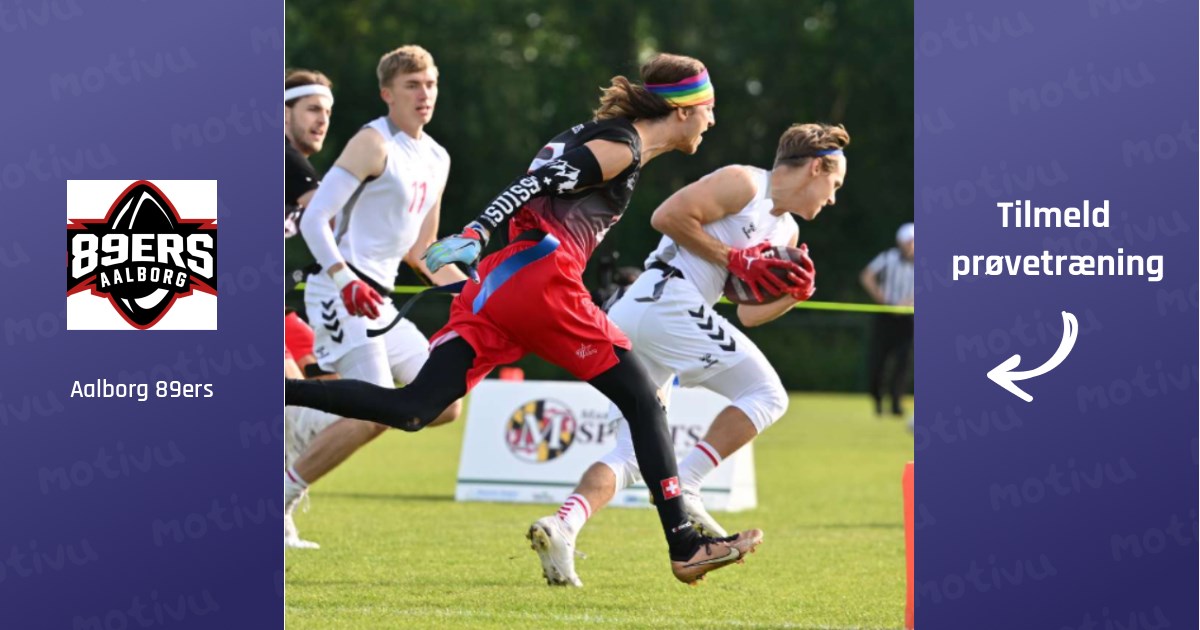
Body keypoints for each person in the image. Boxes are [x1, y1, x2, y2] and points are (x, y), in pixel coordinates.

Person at [287, 53, 799, 584]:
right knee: (644, 402)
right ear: (684, 109)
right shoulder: (621, 146)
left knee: (416, 407)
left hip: (501, 284)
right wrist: (476, 230)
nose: (713, 120)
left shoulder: (614, 138)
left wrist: (481, 242)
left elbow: (542, 178)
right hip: (541, 278)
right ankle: (684, 544)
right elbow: (533, 183)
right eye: (708, 108)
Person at [533, 123, 849, 587]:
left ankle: (562, 525)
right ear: (817, 167)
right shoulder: (746, 182)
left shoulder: (787, 228)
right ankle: (691, 485)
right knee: (768, 395)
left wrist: (795, 294)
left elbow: (747, 314)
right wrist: (734, 259)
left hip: (649, 309)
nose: (833, 198)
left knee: (636, 453)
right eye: (834, 184)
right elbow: (666, 216)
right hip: (667, 300)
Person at [284, 46, 468, 549]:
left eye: (429, 83)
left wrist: (475, 295)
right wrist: (345, 278)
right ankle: (277, 499)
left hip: (378, 299)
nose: (424, 94)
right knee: (375, 410)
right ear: (388, 93)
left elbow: (423, 251)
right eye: (412, 85)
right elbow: (317, 219)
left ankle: (298, 421)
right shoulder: (372, 142)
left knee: (441, 403)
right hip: (339, 289)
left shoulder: (437, 156)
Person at [859, 222, 914, 416]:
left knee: (903, 362)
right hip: (885, 316)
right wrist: (885, 301)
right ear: (901, 242)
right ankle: (877, 399)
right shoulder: (888, 257)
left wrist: (907, 303)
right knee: (878, 360)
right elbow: (867, 276)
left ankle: (897, 404)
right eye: (910, 242)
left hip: (908, 318)